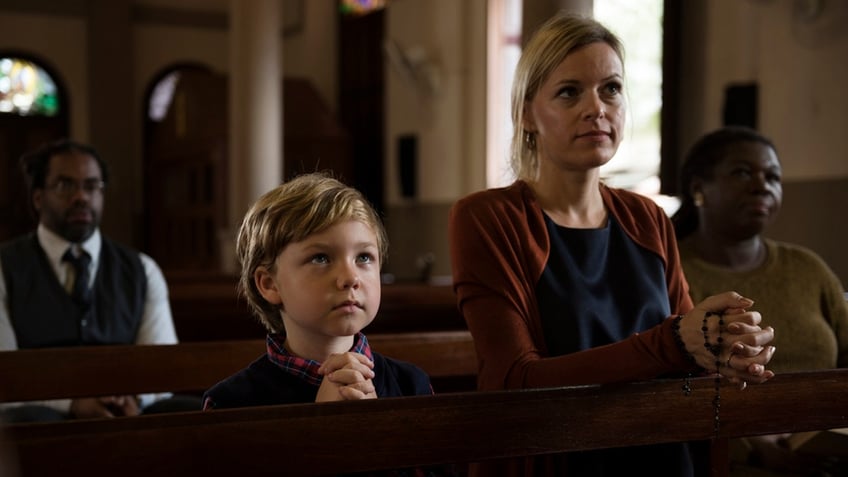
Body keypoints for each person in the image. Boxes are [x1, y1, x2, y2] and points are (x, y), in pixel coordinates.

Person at [448, 12, 777, 477]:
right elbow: (515, 380)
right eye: (569, 92)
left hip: (658, 455)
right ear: (526, 113)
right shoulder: (489, 217)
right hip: (553, 459)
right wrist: (677, 341)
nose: (596, 108)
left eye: (611, 89)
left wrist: (726, 348)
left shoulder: (647, 217)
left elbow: (684, 355)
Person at [203, 172, 454, 476]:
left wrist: (382, 434)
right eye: (321, 258)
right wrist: (318, 435)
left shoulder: (410, 384)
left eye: (364, 257)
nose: (350, 277)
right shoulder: (232, 404)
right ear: (270, 284)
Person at [672, 125, 848, 476]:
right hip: (722, 456)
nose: (761, 185)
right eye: (742, 172)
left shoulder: (806, 267)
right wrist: (751, 444)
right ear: (698, 189)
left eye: (773, 176)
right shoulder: (671, 270)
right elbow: (670, 387)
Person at [0, 138, 198, 422]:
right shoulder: (5, 268)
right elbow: (3, 374)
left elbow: (161, 368)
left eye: (92, 186)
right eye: (65, 185)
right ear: (38, 197)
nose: (81, 196)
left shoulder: (142, 269)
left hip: (125, 405)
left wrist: (132, 398)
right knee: (29, 421)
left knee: (196, 412)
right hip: (43, 412)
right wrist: (71, 404)